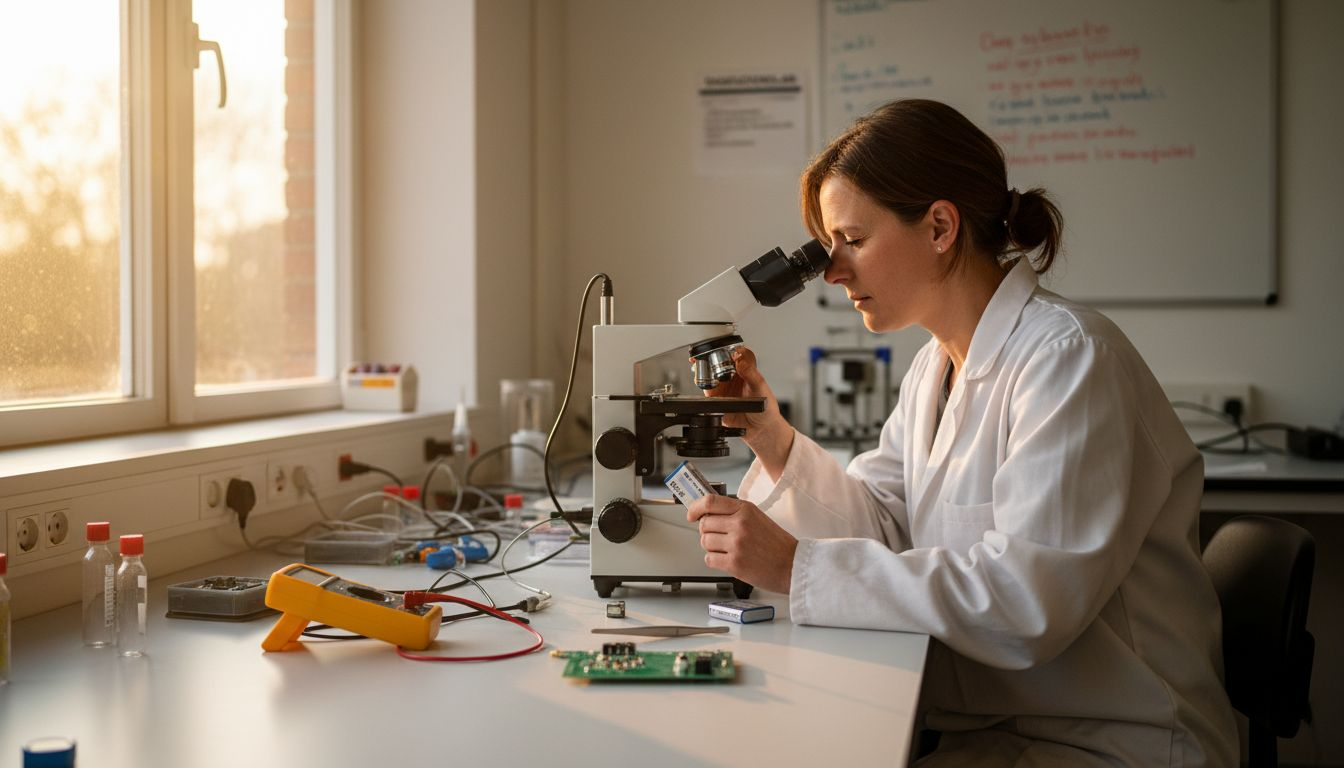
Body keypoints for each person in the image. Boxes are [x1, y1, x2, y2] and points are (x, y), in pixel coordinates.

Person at [687, 99, 1238, 767]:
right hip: (997, 726)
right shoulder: (933, 368)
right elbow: (882, 528)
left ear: (941, 226)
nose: (832, 273)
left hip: (1114, 738)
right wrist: (769, 434)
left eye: (852, 241)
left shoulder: (1069, 358)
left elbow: (1026, 602)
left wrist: (796, 567)